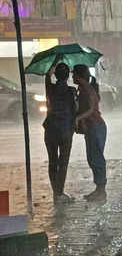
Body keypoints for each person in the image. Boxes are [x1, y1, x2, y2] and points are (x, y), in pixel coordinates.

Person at [73, 64, 108, 202]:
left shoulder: (88, 90)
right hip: (92, 128)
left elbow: (91, 109)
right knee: (93, 159)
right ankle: (98, 190)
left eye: (73, 74)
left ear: (78, 76)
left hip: (96, 127)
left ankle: (101, 192)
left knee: (97, 159)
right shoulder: (83, 89)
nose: (72, 77)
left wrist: (78, 118)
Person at [43, 63, 77, 205]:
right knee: (63, 163)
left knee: (52, 161)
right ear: (68, 76)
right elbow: (75, 110)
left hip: (50, 130)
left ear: (56, 75)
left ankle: (55, 193)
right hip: (65, 131)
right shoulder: (71, 91)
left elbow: (46, 77)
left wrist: (52, 64)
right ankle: (60, 193)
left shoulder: (50, 89)